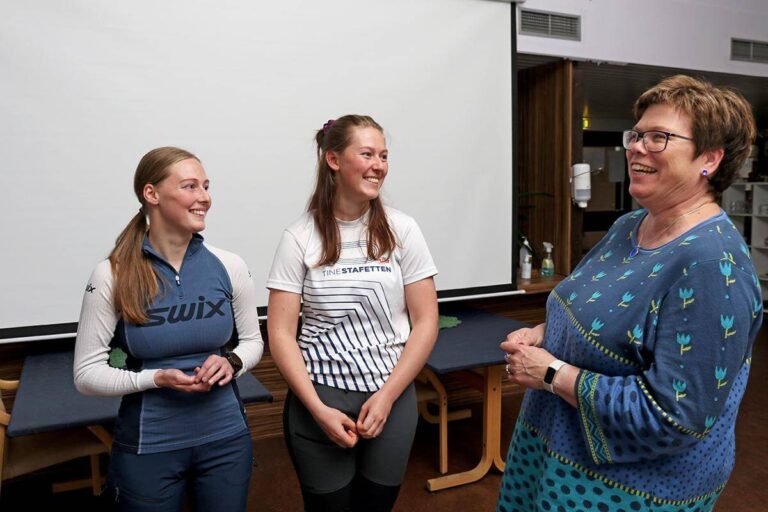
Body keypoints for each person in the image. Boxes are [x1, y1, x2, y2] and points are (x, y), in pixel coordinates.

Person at [498, 75, 761, 512]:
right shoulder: (629, 226)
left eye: (659, 137)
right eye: (636, 135)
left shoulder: (713, 264)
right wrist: (546, 333)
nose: (637, 147)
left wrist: (549, 373)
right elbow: (601, 311)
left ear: (710, 159)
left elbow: (673, 416)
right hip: (549, 451)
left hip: (622, 489)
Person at [74, 147, 264, 511]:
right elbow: (86, 375)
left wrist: (232, 362)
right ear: (152, 193)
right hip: (149, 445)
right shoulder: (112, 274)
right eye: (190, 186)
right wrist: (156, 378)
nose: (204, 197)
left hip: (226, 440)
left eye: (206, 186)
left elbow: (253, 342)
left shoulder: (230, 265)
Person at [267, 115, 438, 511]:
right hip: (319, 398)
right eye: (367, 154)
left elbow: (426, 321)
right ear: (334, 160)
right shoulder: (299, 237)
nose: (379, 166)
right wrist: (317, 409)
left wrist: (387, 397)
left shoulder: (403, 229)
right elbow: (280, 333)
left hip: (391, 397)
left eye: (384, 156)